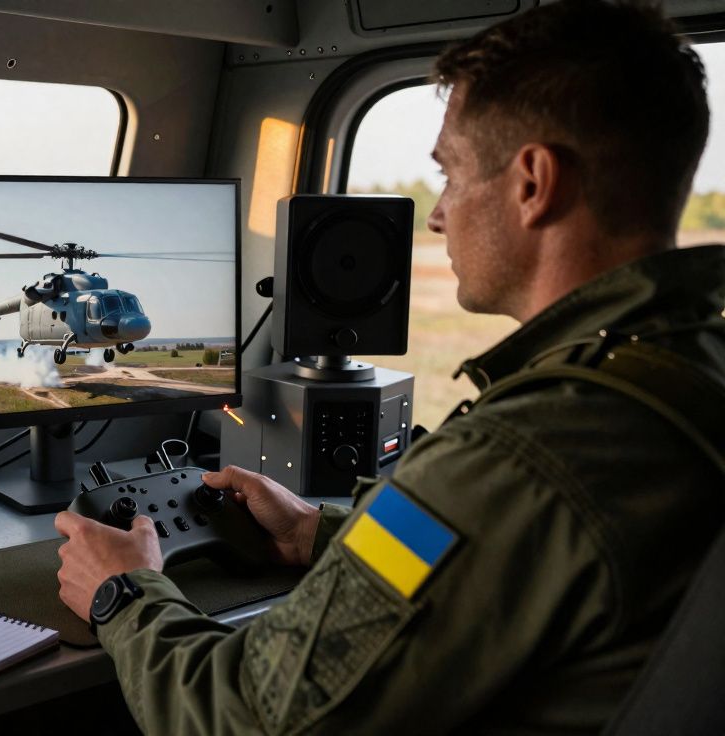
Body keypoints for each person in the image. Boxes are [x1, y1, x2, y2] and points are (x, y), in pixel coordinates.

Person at [54, 0, 725, 733]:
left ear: (534, 183)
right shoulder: (688, 372)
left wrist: (124, 591)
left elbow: (242, 718)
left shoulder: (522, 453)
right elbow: (499, 562)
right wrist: (319, 533)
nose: (437, 215)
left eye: (451, 174)